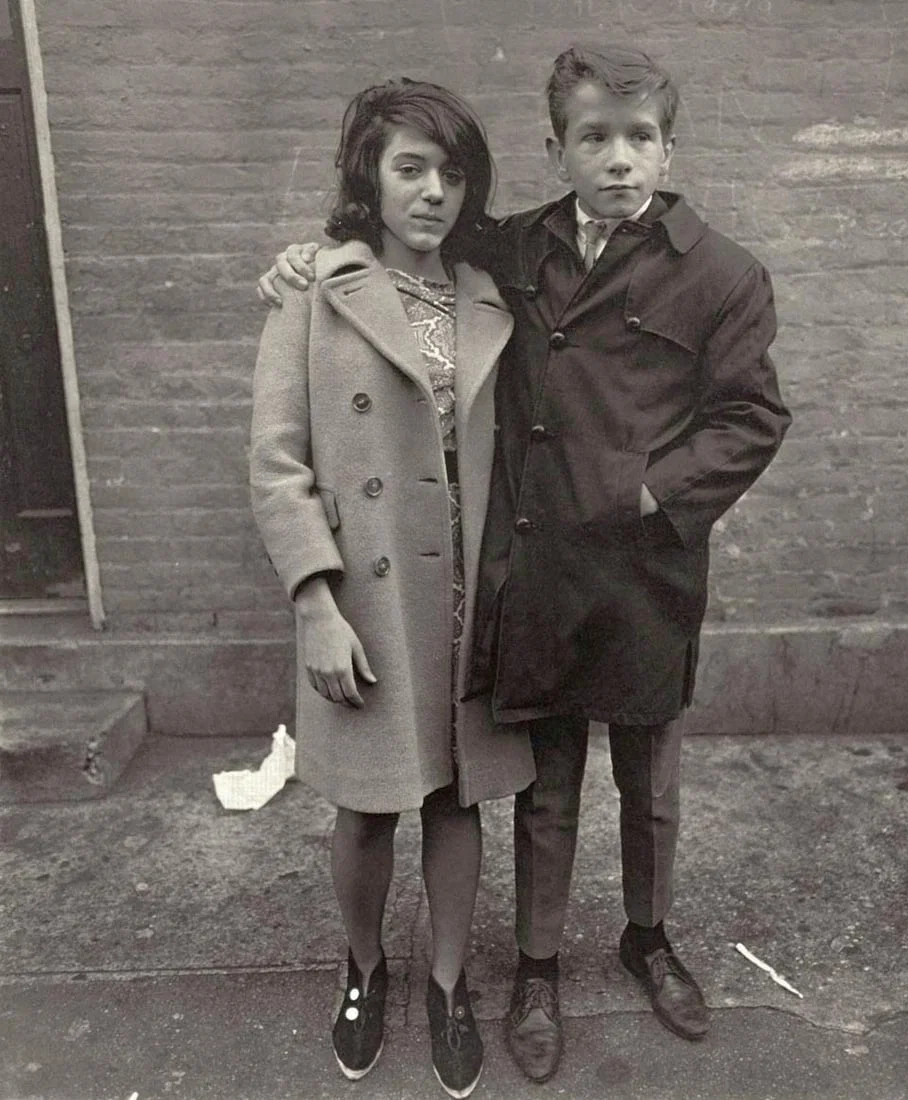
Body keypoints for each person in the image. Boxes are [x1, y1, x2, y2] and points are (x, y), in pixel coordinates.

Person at [258, 43, 791, 1084]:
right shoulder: (515, 249)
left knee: (649, 781)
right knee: (543, 785)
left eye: (639, 138)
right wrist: (303, 257)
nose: (619, 161)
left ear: (668, 147)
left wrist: (652, 491)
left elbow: (752, 414)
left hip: (645, 569)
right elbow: (395, 254)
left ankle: (649, 935)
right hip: (536, 567)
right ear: (556, 149)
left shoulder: (720, 271)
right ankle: (535, 966)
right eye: (593, 138)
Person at [248, 77, 534, 1098]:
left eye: (451, 172)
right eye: (409, 167)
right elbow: (276, 463)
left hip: (469, 593)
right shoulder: (315, 291)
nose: (432, 191)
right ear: (368, 173)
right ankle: (364, 968)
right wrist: (315, 604)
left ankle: (448, 984)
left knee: (459, 799)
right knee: (369, 806)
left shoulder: (490, 292)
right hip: (365, 599)